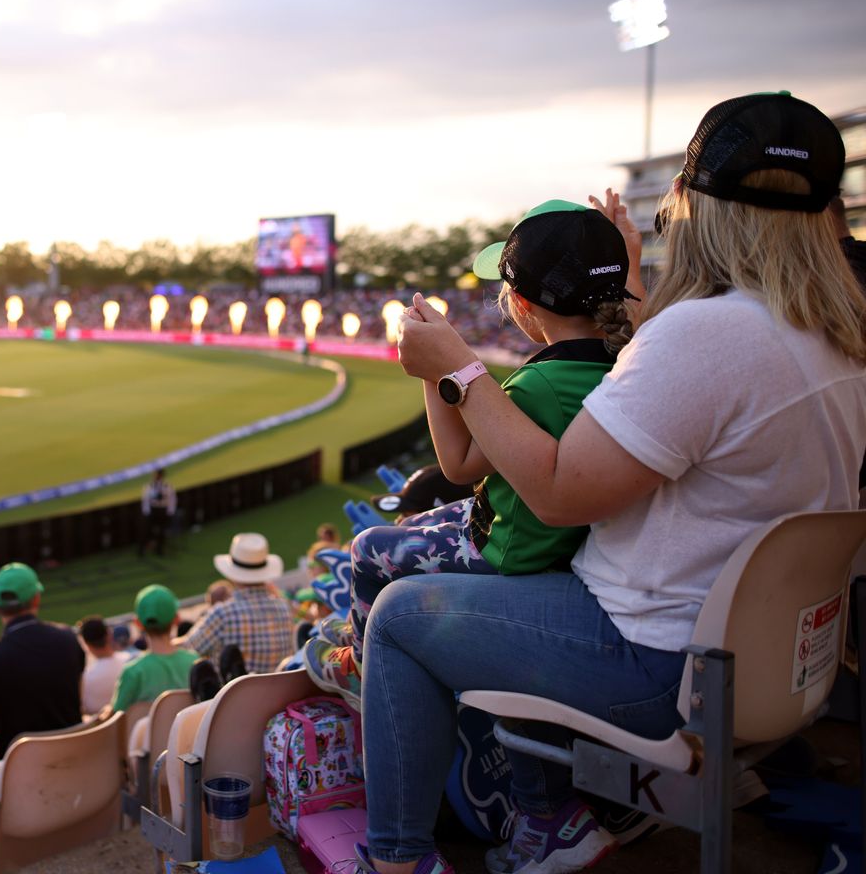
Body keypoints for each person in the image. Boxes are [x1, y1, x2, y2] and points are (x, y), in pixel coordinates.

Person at [357, 92, 866, 874]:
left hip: (654, 657)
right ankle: (550, 816)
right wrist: (630, 286)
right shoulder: (835, 331)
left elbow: (558, 492)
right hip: (776, 662)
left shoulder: (706, 336)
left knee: (394, 614)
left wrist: (457, 368)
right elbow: (687, 371)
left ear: (695, 205)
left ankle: (395, 860)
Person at [305, 200, 638, 706]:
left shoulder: (538, 382)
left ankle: (356, 666)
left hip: (508, 549)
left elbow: (457, 463)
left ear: (524, 306)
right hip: (539, 537)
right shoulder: (628, 355)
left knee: (368, 548)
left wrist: (433, 366)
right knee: (415, 524)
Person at [0, 562, 87, 758]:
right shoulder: (68, 639)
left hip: (18, 773)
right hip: (72, 760)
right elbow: (77, 699)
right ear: (36, 599)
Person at [181, 533, 294, 674]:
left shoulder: (223, 614)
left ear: (231, 574)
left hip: (235, 695)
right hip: (281, 694)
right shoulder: (284, 608)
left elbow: (186, 651)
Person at [109, 585, 198, 712]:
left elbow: (116, 717)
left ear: (138, 623)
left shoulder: (132, 673)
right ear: (177, 619)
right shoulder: (195, 662)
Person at [78, 615, 130, 715]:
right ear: (109, 635)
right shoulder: (131, 661)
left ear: (86, 644)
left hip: (103, 729)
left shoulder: (85, 679)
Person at [140, 468, 177, 557]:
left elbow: (172, 499)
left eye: (157, 475)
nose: (155, 477)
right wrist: (146, 511)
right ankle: (142, 548)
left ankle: (159, 549)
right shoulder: (149, 486)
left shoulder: (167, 486)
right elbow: (145, 499)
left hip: (162, 510)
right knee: (146, 530)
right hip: (152, 510)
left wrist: (170, 511)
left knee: (162, 531)